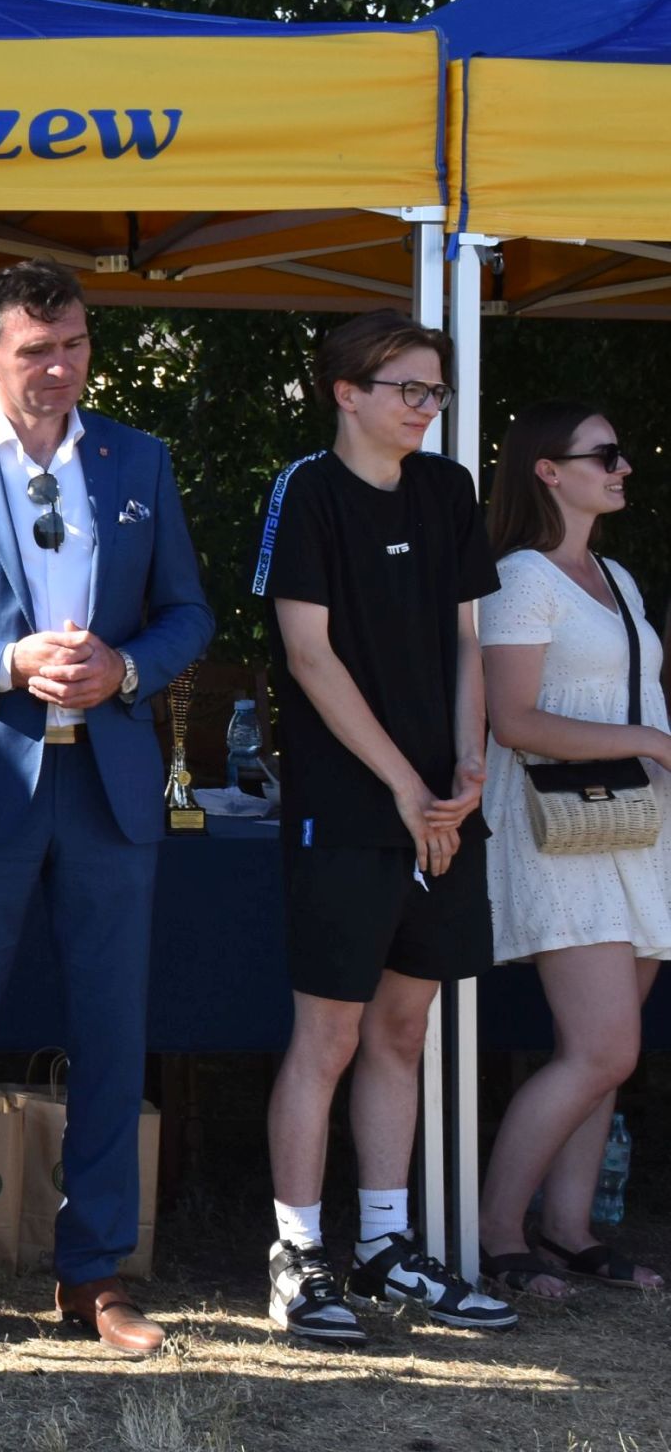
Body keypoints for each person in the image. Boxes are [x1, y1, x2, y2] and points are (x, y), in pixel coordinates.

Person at [0, 259, 210, 1359]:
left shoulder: (138, 458)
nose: (59, 369)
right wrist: (0, 662)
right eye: (34, 351)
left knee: (111, 1031)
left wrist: (128, 667)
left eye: (74, 347)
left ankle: (94, 1270)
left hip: (107, 788)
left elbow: (188, 612)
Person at [255, 310, 516, 1342]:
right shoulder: (307, 491)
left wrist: (466, 767)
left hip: (440, 807)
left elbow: (468, 641)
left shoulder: (447, 490)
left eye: (435, 390)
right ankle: (296, 1255)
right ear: (347, 392)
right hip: (350, 806)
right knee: (329, 1034)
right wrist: (406, 786)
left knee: (404, 1029)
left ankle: (384, 1244)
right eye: (408, 388)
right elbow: (308, 655)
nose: (426, 406)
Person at [473, 404, 671, 1296]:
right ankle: (494, 1232)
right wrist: (654, 743)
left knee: (597, 1049)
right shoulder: (520, 577)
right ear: (548, 470)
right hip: (560, 829)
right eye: (607, 454)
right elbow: (514, 721)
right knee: (603, 1049)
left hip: (635, 826)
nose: (623, 467)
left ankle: (567, 1228)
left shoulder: (615, 576)